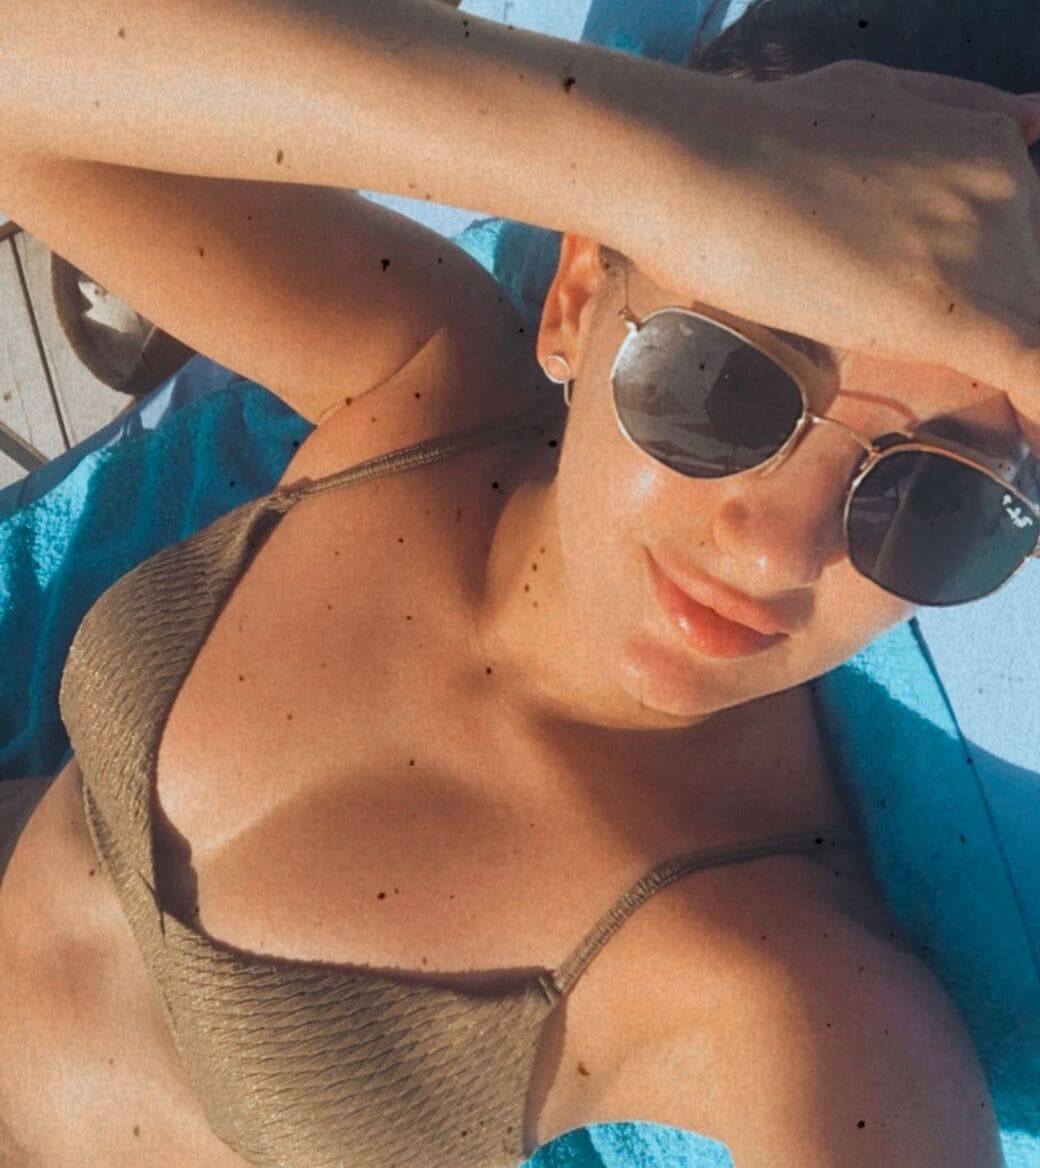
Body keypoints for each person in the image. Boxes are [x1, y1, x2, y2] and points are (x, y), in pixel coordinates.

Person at [0, 0, 1038, 1164]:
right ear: (575, 297)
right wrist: (689, 153)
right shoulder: (421, 382)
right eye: (720, 379)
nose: (771, 550)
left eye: (934, 499)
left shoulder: (782, 989)